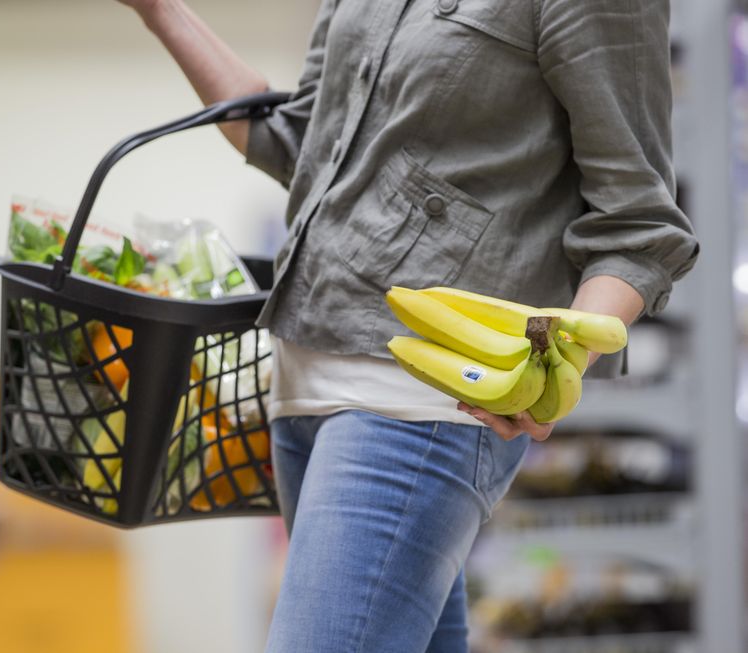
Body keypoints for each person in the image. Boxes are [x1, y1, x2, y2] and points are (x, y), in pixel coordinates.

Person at [115, 0, 699, 650]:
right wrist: (160, 11)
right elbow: (306, 144)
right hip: (303, 379)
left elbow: (639, 225)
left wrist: (548, 367)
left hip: (423, 403)